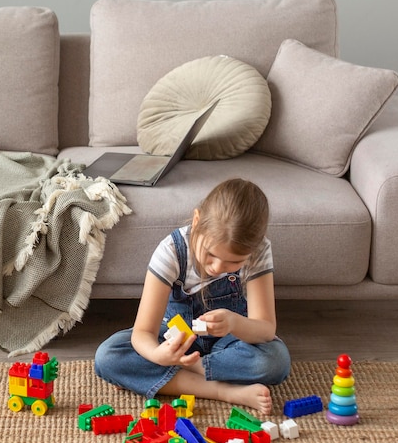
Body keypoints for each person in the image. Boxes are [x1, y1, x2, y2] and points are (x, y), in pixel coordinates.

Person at [94, 178, 291, 415]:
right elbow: (143, 332)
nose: (217, 267)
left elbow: (265, 329)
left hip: (227, 344)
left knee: (274, 361)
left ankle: (177, 374)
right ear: (197, 221)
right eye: (210, 254)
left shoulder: (258, 251)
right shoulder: (172, 250)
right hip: (175, 340)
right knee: (109, 356)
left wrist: (233, 322)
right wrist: (159, 354)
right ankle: (223, 390)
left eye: (234, 262)